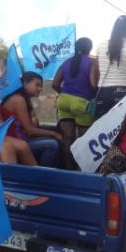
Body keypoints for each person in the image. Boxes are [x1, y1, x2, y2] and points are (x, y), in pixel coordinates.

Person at [0, 71, 63, 167]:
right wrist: (54, 134)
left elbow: (33, 125)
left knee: (57, 131)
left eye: (41, 86)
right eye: (37, 85)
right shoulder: (18, 99)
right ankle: (44, 174)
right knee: (52, 144)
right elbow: (30, 130)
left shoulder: (26, 99)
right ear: (25, 84)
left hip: (24, 137)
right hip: (17, 141)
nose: (40, 89)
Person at [52, 37, 96, 169]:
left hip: (64, 100)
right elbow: (94, 84)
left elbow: (55, 83)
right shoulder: (92, 63)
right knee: (84, 139)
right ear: (89, 49)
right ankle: (84, 170)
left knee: (68, 138)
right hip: (82, 103)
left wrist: (64, 94)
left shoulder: (66, 62)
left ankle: (69, 168)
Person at [90, 15, 126, 119]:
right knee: (122, 129)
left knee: (102, 129)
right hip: (123, 94)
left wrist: (96, 87)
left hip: (102, 93)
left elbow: (96, 72)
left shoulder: (100, 46)